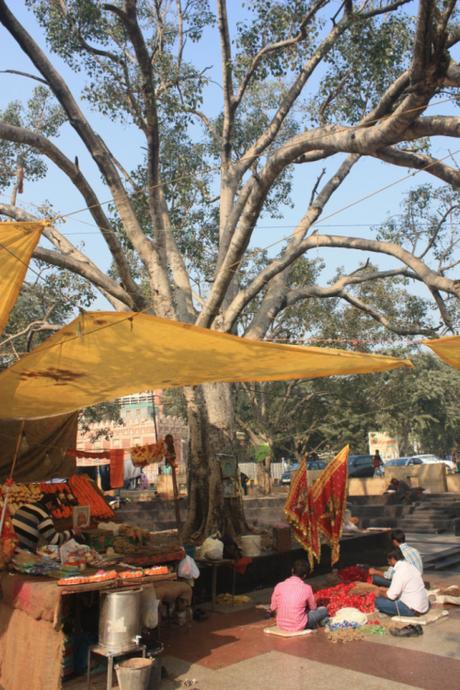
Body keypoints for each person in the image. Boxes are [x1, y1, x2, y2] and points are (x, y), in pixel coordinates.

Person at [269, 559, 328, 631]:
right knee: (323, 610)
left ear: (292, 570)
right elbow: (313, 608)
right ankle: (323, 623)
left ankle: (321, 623)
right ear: (305, 575)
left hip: (281, 625)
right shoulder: (307, 588)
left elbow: (273, 607)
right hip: (298, 625)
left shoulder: (279, 585)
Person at [12, 494, 77, 553]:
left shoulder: (24, 506)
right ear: (50, 503)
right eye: (55, 507)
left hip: (11, 545)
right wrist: (73, 531)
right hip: (24, 552)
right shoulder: (44, 516)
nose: (53, 510)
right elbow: (55, 540)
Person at [375, 549, 429, 617]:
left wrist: (380, 593)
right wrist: (386, 590)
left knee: (378, 602)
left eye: (388, 561)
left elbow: (391, 596)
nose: (388, 563)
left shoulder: (399, 572)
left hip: (413, 609)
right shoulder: (410, 566)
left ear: (393, 559)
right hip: (424, 606)